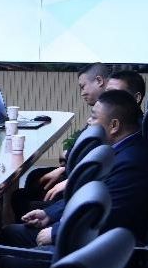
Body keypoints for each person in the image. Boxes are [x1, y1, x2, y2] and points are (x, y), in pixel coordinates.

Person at [3, 89, 148, 248]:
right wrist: (48, 214)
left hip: (101, 250)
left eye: (94, 117)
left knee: (7, 240)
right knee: (10, 232)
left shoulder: (131, 164)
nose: (89, 121)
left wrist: (56, 232)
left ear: (114, 125)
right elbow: (88, 198)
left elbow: (108, 217)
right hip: (92, 235)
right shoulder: (123, 150)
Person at [18, 63, 112, 211]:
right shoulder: (101, 109)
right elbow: (84, 141)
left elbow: (94, 153)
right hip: (76, 171)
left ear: (99, 81)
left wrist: (69, 173)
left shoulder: (110, 115)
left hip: (82, 180)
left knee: (23, 196)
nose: (82, 93)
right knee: (33, 179)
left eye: (83, 87)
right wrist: (66, 163)